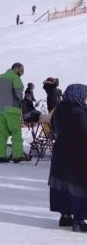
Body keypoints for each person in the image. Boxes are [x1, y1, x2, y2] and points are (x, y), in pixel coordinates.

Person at [48, 84, 87, 232]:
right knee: (80, 186)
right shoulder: (79, 111)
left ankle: (65, 216)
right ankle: (79, 220)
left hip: (61, 151)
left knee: (63, 185)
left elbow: (53, 127)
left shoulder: (59, 108)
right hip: (78, 152)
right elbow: (84, 132)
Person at [0, 63, 30, 163]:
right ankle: (17, 155)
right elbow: (19, 95)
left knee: (2, 133)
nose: (22, 73)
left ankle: (1, 156)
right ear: (16, 68)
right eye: (21, 70)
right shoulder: (15, 78)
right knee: (16, 132)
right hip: (11, 110)